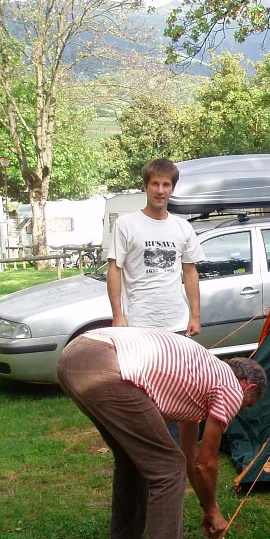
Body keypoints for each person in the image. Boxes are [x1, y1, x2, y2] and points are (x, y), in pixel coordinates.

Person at [57, 327, 267, 539]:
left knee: (134, 459)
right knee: (168, 468)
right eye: (247, 405)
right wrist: (213, 511)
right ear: (249, 388)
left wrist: (207, 506)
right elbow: (206, 463)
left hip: (75, 356)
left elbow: (190, 455)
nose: (238, 410)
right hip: (107, 363)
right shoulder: (231, 388)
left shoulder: (201, 377)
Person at [107, 158, 206, 441]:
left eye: (165, 185)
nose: (160, 191)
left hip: (175, 323)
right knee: (143, 389)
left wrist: (195, 315)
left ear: (172, 188)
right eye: (155, 184)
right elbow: (114, 269)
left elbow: (190, 271)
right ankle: (145, 445)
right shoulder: (126, 224)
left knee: (175, 388)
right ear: (145, 186)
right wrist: (118, 315)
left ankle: (173, 447)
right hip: (139, 324)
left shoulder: (182, 227)